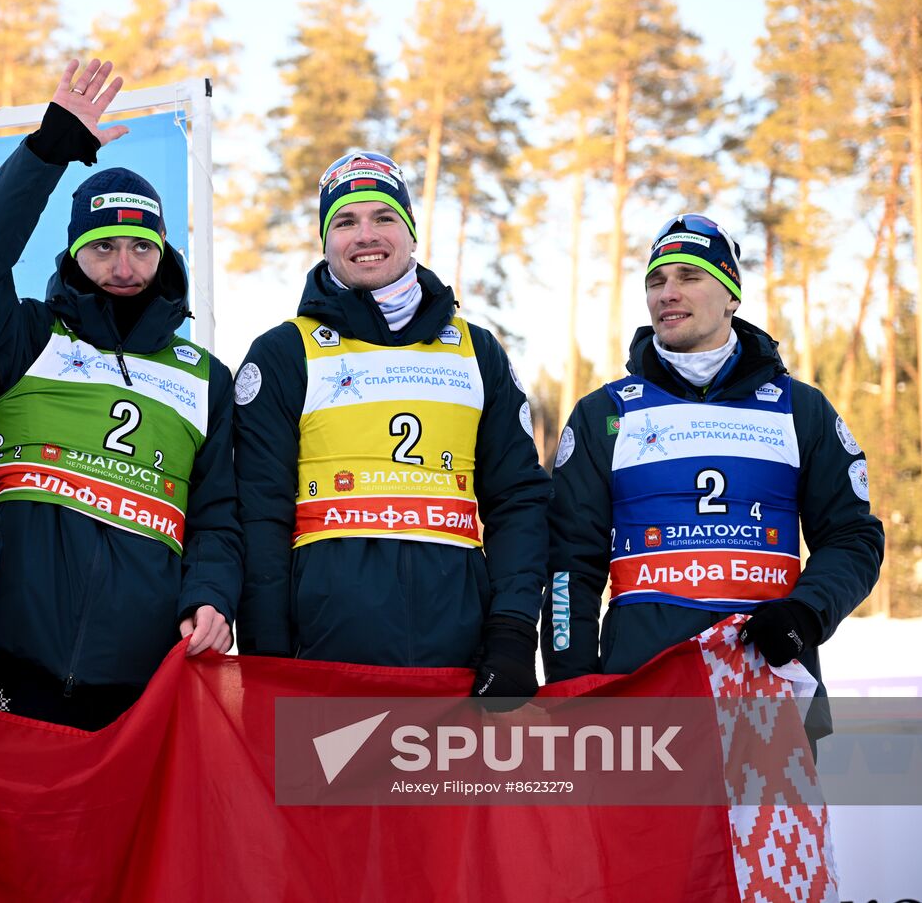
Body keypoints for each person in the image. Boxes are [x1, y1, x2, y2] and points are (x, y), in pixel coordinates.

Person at [0, 58, 242, 731]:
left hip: (145, 673)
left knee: (128, 842)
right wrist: (51, 148)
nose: (124, 266)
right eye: (104, 248)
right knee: (18, 840)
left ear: (164, 254)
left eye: (140, 246)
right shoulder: (25, 340)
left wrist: (213, 597)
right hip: (23, 660)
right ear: (73, 253)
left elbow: (219, 518)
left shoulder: (204, 377)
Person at [542, 213, 884, 739]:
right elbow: (570, 566)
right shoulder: (604, 413)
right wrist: (572, 684)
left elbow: (853, 537)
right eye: (656, 281)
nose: (667, 293)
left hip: (769, 690)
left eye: (689, 277)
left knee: (771, 829)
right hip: (641, 699)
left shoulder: (800, 410)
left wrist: (807, 613)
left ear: (731, 295)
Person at [232, 150, 550, 705]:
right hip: (325, 663)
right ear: (325, 241)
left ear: (410, 232)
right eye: (345, 222)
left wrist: (514, 632)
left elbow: (519, 500)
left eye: (383, 217)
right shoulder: (284, 351)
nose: (365, 235)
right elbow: (260, 515)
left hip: (460, 660)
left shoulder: (478, 351)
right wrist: (267, 657)